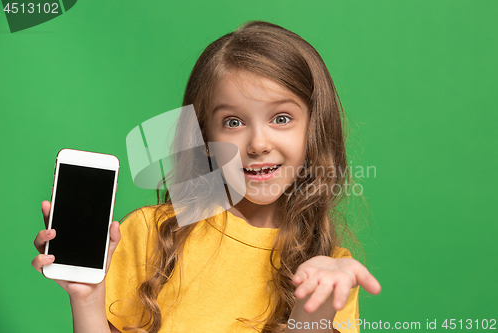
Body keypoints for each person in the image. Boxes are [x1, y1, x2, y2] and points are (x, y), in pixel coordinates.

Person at [32, 21, 381, 333]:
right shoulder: (148, 234)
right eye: (233, 122)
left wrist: (312, 315)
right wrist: (87, 298)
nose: (258, 144)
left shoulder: (328, 270)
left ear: (314, 129)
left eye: (281, 118)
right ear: (205, 139)